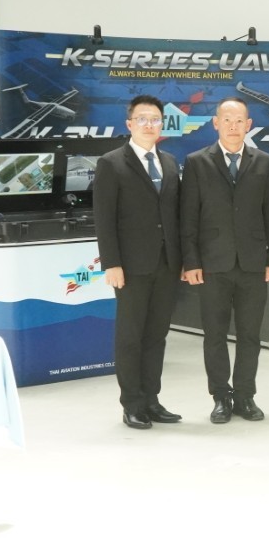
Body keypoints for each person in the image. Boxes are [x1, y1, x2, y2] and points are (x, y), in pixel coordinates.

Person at [180, 97, 269, 425]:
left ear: (249, 125)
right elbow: (188, 217)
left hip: (254, 264)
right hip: (212, 265)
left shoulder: (265, 162)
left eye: (240, 121)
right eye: (227, 120)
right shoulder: (197, 162)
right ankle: (221, 397)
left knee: (251, 335)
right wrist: (191, 262)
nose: (233, 126)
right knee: (215, 335)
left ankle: (245, 395)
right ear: (216, 123)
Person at [94, 94, 183, 430]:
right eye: (142, 119)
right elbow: (104, 218)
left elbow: (175, 215)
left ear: (162, 125)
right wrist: (111, 263)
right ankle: (132, 404)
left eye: (155, 119)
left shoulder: (170, 162)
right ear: (129, 124)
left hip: (167, 264)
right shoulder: (111, 163)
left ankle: (152, 400)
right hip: (130, 266)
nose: (149, 125)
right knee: (130, 337)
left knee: (156, 336)